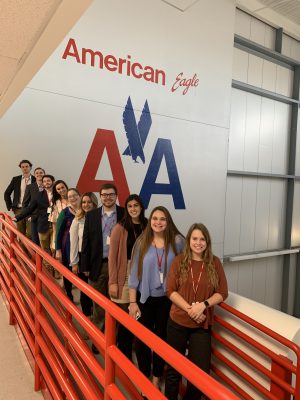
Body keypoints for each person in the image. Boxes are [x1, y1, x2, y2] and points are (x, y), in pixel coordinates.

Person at [165, 223, 228, 400]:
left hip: (201, 324)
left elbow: (223, 292)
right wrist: (191, 309)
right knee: (174, 370)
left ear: (207, 242)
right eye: (194, 238)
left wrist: (204, 305)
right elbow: (170, 290)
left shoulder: (214, 262)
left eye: (202, 239)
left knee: (200, 374)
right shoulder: (179, 260)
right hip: (177, 321)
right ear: (189, 240)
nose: (198, 242)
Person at [128, 206, 185, 389]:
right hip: (145, 299)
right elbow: (134, 275)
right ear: (150, 221)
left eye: (162, 219)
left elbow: (186, 268)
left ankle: (156, 376)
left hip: (167, 301)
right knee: (141, 342)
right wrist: (132, 302)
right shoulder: (142, 242)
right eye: (155, 218)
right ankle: (144, 376)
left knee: (162, 341)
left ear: (168, 222)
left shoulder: (177, 243)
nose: (158, 222)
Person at [81, 183, 124, 354]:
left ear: (116, 196)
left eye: (111, 194)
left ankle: (115, 341)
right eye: (104, 195)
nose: (107, 197)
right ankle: (99, 340)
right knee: (98, 306)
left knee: (118, 306)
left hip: (119, 267)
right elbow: (86, 241)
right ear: (100, 197)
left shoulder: (123, 213)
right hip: (97, 266)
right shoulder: (91, 215)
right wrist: (85, 266)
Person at [108, 194, 148, 359]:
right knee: (125, 321)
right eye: (130, 206)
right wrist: (113, 282)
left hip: (144, 277)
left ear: (141, 207)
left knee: (139, 318)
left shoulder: (148, 226)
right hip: (124, 276)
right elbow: (112, 257)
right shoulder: (120, 227)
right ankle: (124, 359)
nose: (133, 209)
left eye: (136, 205)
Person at [13, 174, 55, 274]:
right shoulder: (38, 196)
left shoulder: (58, 194)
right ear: (42, 183)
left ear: (53, 181)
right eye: (44, 181)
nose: (46, 183)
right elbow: (29, 208)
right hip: (43, 226)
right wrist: (17, 217)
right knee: (45, 250)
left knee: (55, 249)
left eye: (48, 181)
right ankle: (49, 273)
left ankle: (58, 272)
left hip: (56, 225)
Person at [70, 192, 98, 318]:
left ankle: (96, 317)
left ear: (94, 203)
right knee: (85, 291)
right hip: (83, 259)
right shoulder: (77, 219)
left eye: (89, 202)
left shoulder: (100, 218)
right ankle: (87, 317)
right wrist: (74, 262)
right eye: (84, 202)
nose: (86, 205)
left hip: (97, 259)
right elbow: (74, 242)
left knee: (97, 291)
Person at [55, 188, 81, 301]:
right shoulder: (64, 212)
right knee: (68, 273)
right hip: (67, 248)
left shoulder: (86, 210)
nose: (73, 198)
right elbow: (58, 232)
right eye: (70, 196)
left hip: (82, 248)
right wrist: (58, 249)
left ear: (79, 196)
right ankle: (69, 296)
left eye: (75, 195)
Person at [4, 159, 35, 237]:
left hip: (31, 210)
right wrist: (9, 206)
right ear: (20, 168)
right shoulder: (16, 179)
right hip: (18, 210)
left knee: (30, 233)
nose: (25, 168)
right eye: (22, 167)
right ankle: (21, 249)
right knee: (20, 233)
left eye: (27, 166)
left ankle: (28, 249)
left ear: (30, 167)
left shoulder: (35, 179)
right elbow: (7, 193)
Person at [22, 167, 45, 245]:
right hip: (34, 218)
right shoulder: (30, 187)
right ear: (34, 175)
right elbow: (25, 203)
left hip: (47, 218)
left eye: (41, 172)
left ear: (44, 174)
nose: (39, 174)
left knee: (45, 241)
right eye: (37, 173)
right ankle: (36, 257)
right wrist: (28, 216)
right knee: (35, 240)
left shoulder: (49, 186)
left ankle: (45, 257)